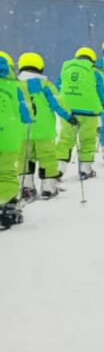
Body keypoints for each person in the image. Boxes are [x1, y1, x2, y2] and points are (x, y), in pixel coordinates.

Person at [16, 53, 74, 200]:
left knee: (24, 158)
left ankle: (26, 187)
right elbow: (58, 103)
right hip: (44, 130)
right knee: (48, 158)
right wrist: (69, 116)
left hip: (23, 130)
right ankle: (48, 187)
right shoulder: (45, 85)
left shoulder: (15, 86)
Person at [55, 47, 104, 180]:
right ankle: (85, 169)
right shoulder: (95, 72)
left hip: (68, 110)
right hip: (89, 111)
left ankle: (59, 168)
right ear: (92, 59)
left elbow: (57, 86)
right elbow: (101, 90)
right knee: (88, 139)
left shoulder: (65, 69)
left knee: (65, 139)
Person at [0, 52, 32, 229]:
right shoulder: (16, 86)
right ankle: (5, 205)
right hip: (8, 135)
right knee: (6, 171)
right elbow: (26, 113)